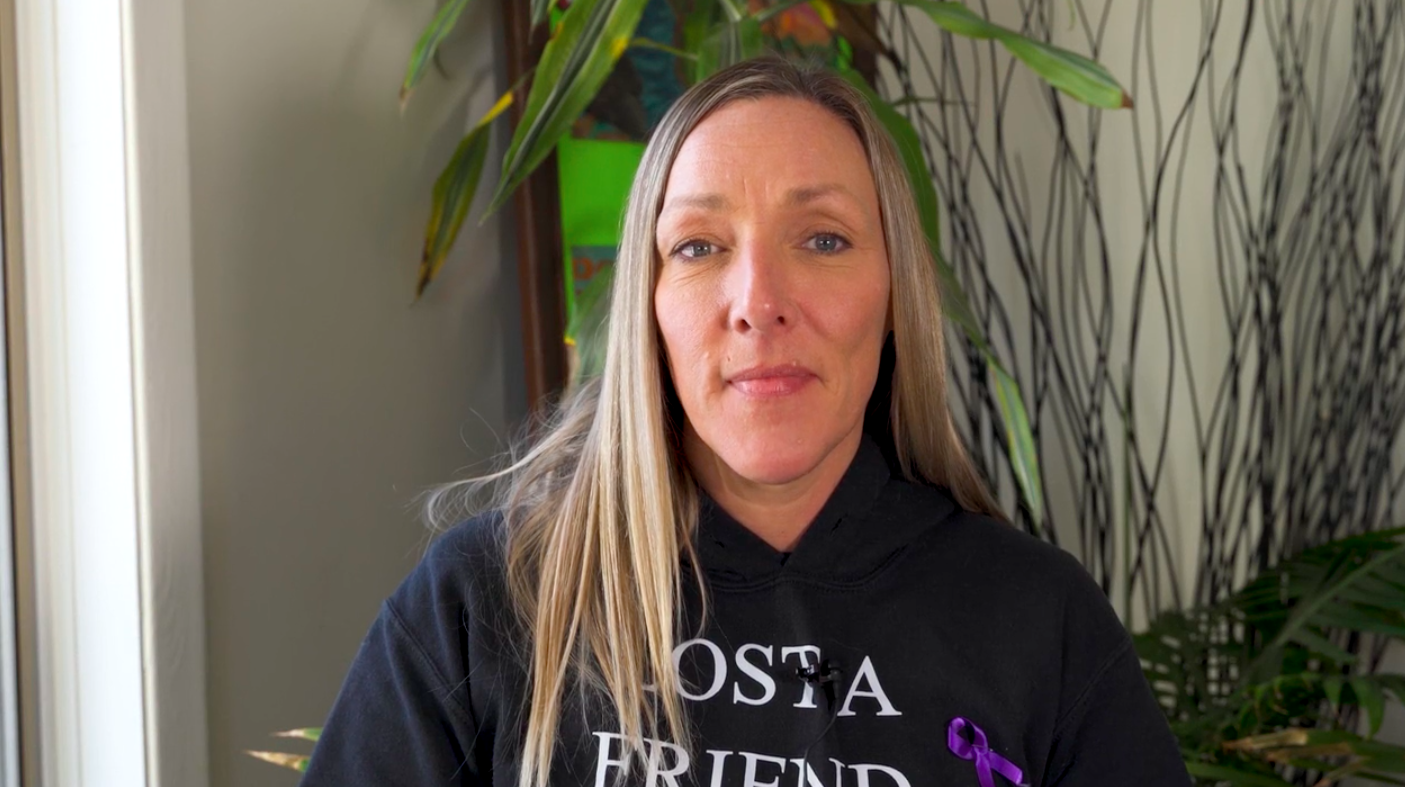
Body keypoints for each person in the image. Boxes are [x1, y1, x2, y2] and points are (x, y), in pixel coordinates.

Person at [300, 57, 1188, 787]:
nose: (757, 302)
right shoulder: (490, 600)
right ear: (649, 308)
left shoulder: (1037, 620)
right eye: (698, 246)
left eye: (823, 238)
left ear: (894, 300)